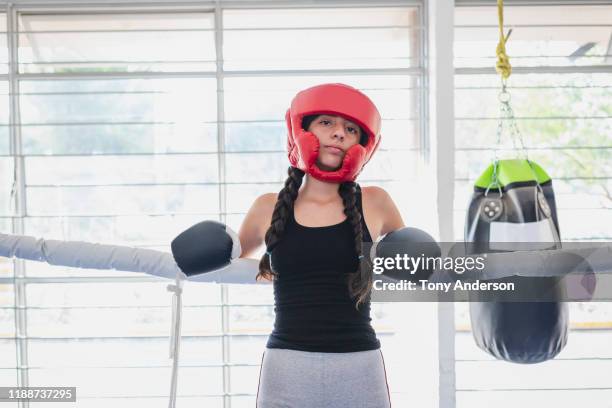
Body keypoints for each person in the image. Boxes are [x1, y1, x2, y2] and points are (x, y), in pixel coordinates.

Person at [238, 83, 404, 407]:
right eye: (327, 122)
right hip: (288, 365)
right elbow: (226, 257)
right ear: (303, 130)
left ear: (362, 143)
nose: (339, 133)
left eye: (350, 128)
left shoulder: (376, 202)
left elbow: (414, 267)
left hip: (359, 365)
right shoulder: (267, 207)